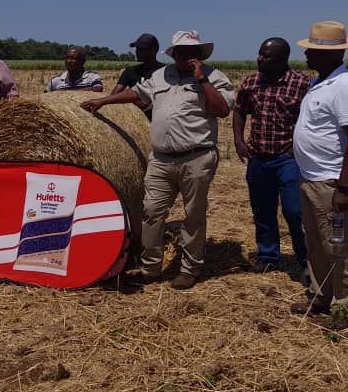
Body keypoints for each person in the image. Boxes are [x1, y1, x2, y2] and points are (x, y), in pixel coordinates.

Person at [82, 30, 234, 290]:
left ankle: (189, 269)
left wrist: (202, 81)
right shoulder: (161, 75)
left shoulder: (214, 77)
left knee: (193, 216)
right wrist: (105, 100)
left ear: (199, 56)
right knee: (151, 213)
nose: (186, 57)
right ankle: (150, 267)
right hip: (161, 159)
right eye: (181, 52)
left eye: (192, 53)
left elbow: (222, 109)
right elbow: (138, 95)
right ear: (173, 54)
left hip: (196, 158)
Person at [291, 21, 348, 330]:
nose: (307, 54)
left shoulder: (345, 86)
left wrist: (344, 187)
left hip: (331, 182)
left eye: (312, 50)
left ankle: (345, 310)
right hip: (311, 178)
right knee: (316, 244)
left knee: (337, 246)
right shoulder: (319, 82)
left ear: (332, 54)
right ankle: (320, 295)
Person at [234, 38, 312, 281]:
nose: (260, 59)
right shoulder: (252, 82)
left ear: (282, 60)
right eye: (260, 54)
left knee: (294, 211)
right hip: (258, 158)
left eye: (266, 56)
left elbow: (312, 118)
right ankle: (268, 257)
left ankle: (307, 260)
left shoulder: (302, 84)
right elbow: (239, 110)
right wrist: (238, 140)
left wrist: (298, 147)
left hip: (288, 159)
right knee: (262, 210)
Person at [110, 33, 164, 119]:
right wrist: (134, 99)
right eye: (137, 49)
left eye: (141, 49)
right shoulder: (129, 71)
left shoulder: (165, 72)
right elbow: (113, 95)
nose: (137, 52)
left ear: (153, 50)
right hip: (136, 118)